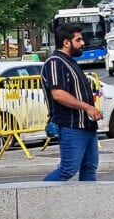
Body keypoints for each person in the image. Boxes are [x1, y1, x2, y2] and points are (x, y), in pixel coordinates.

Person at [41, 24, 103, 182]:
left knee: (89, 168)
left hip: (86, 126)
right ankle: (37, 197)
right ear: (66, 42)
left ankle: (87, 204)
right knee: (68, 169)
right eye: (79, 39)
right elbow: (58, 94)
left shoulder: (69, 61)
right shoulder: (55, 62)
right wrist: (87, 107)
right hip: (70, 125)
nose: (83, 43)